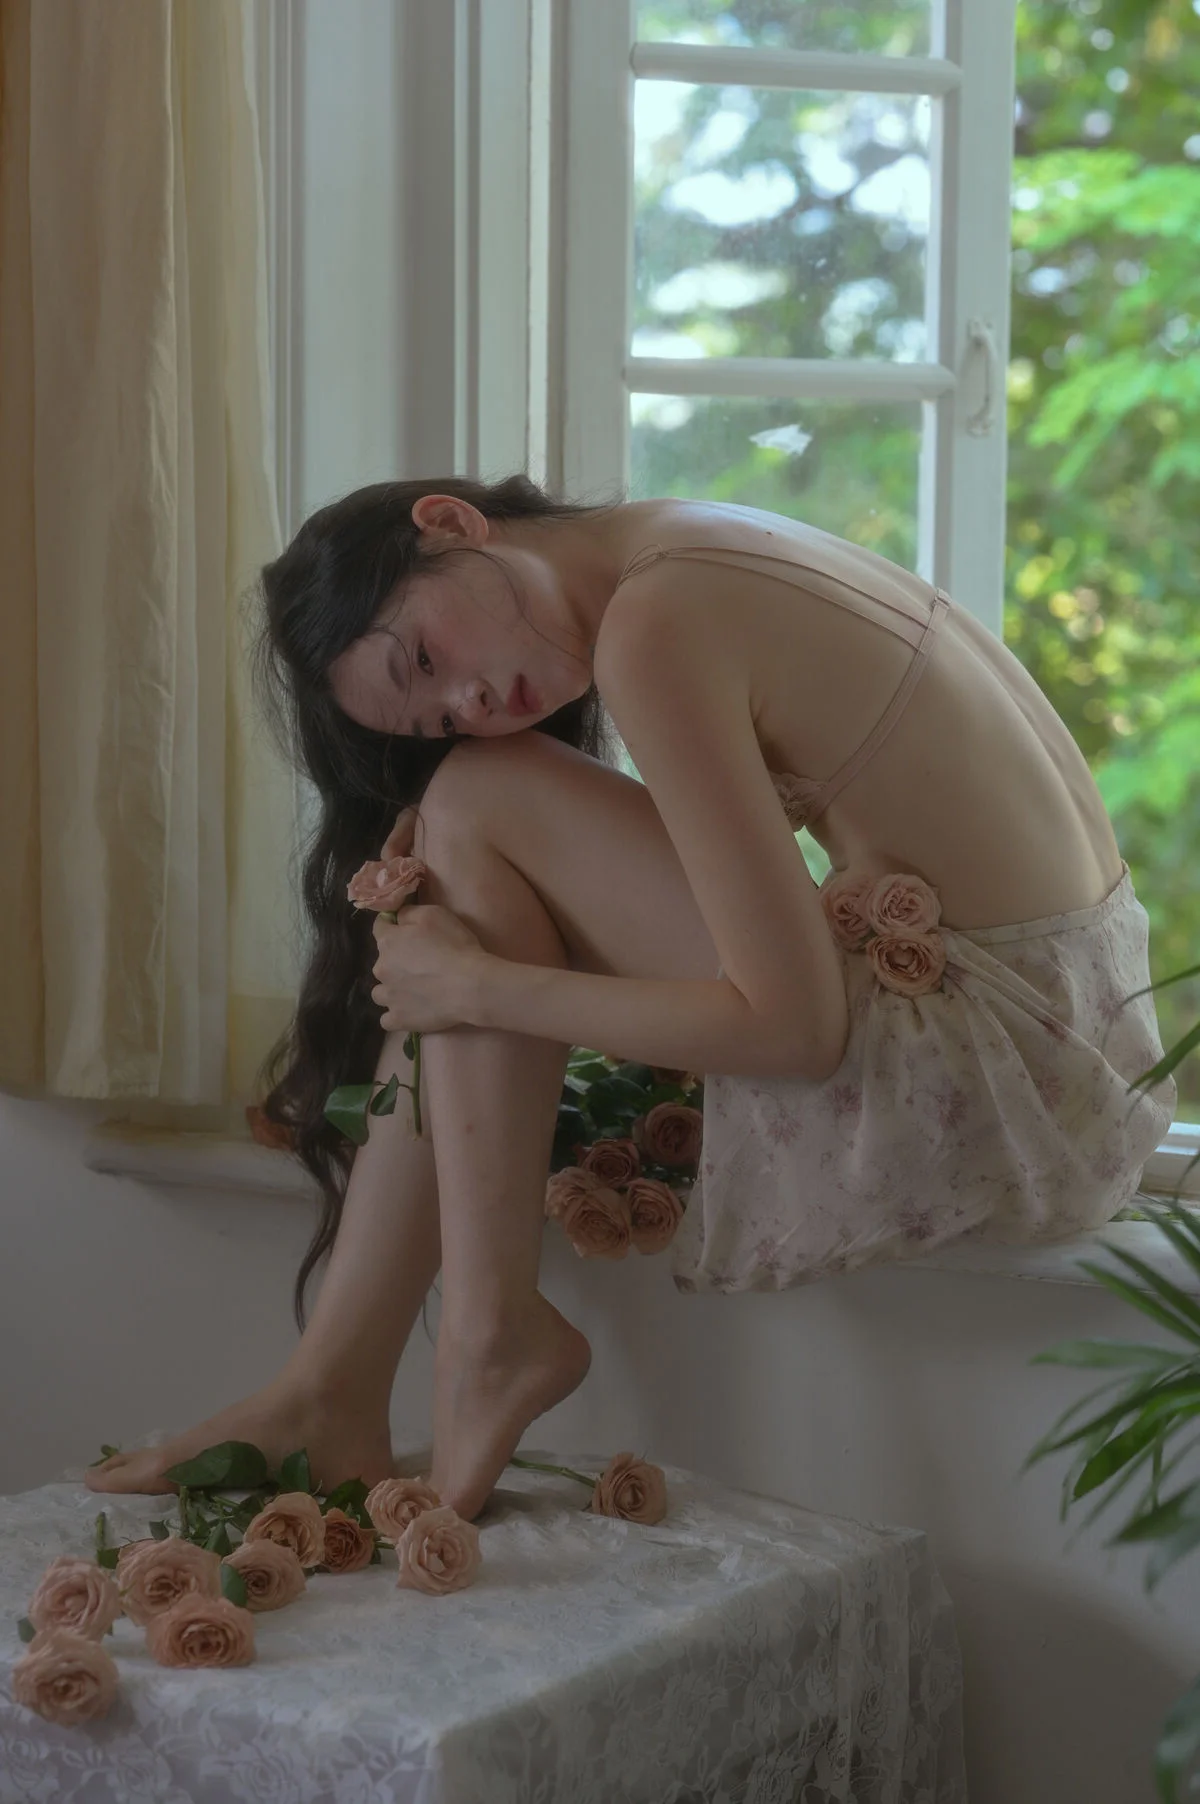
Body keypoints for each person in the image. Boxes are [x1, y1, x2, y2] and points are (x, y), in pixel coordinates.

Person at [85, 475, 1177, 1521]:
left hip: (998, 1081)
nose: (470, 702)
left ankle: (446, 1346)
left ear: (451, 522)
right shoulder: (686, 539)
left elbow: (793, 1031)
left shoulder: (655, 626)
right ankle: (348, 1381)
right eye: (437, 716)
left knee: (476, 805)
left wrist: (484, 986)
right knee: (471, 812)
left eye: (424, 657)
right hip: (1076, 1053)